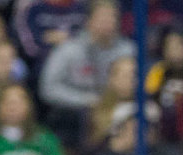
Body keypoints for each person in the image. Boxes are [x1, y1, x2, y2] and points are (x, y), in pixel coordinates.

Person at [38, 0, 135, 147]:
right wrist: (87, 100)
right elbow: (48, 88)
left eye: (111, 18)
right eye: (102, 18)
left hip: (120, 108)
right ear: (88, 21)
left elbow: (142, 82)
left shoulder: (128, 50)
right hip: (78, 113)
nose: (107, 23)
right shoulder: (69, 49)